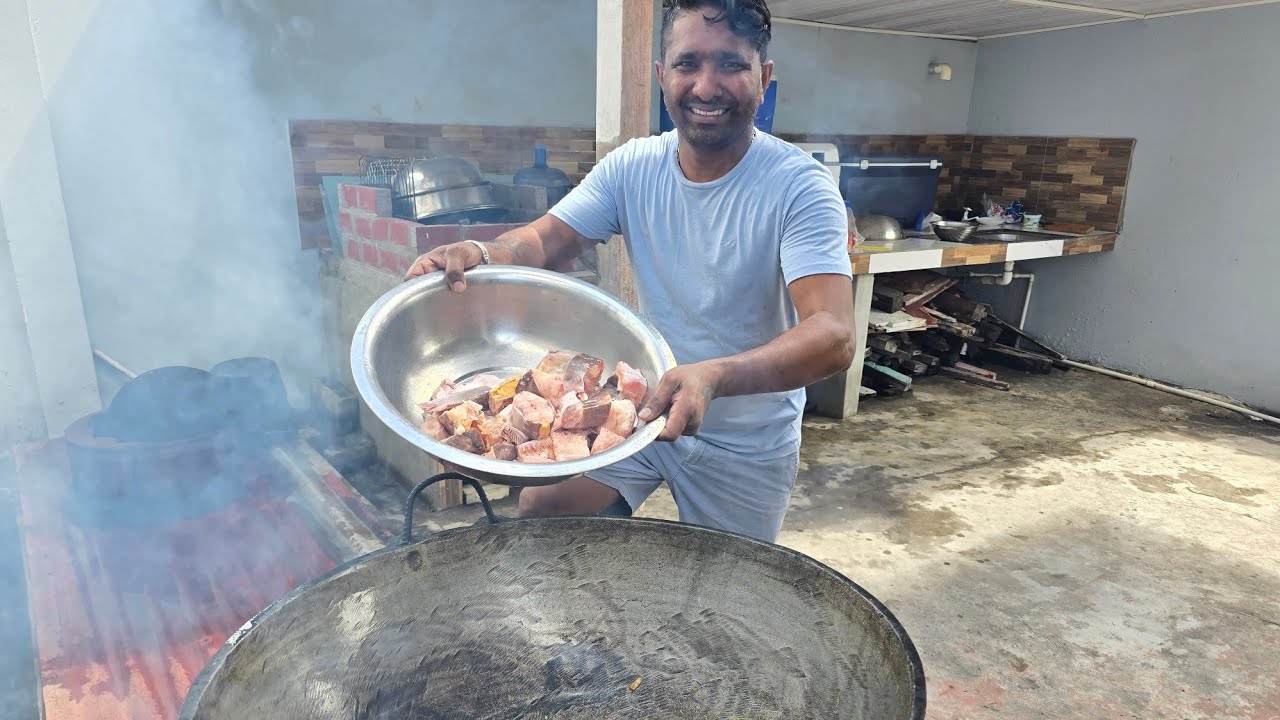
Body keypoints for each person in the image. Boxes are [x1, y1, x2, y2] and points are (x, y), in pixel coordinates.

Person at [404, 0, 854, 543]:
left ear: (764, 77)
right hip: (643, 415)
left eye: (731, 64)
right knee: (544, 508)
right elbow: (546, 240)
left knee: (730, 589)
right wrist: (482, 249)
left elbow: (833, 336)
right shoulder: (633, 167)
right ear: (663, 76)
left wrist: (713, 376)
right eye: (688, 64)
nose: (706, 86)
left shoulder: (799, 187)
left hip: (746, 442)